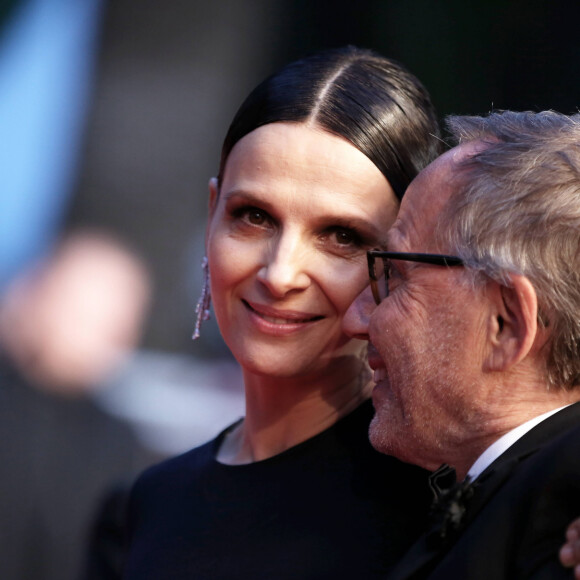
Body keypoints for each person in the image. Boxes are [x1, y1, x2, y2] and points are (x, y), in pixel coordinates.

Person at [121, 46, 443, 579]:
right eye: (254, 217)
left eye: (341, 236)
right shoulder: (154, 501)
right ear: (211, 214)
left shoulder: (443, 510)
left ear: (404, 257)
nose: (279, 272)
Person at [344, 110, 580, 579]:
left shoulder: (564, 497)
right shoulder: (514, 495)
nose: (355, 317)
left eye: (395, 275)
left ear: (506, 323)